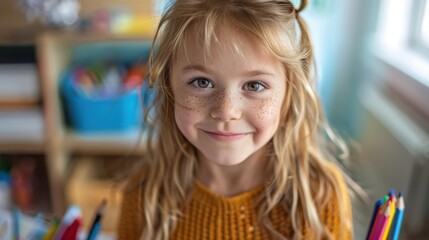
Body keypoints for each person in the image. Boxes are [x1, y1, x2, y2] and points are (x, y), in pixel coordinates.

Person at [118, 0, 353, 239]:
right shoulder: (143, 197)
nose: (226, 111)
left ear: (288, 96)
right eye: (202, 82)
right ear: (170, 88)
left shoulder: (318, 199)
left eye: (254, 85)